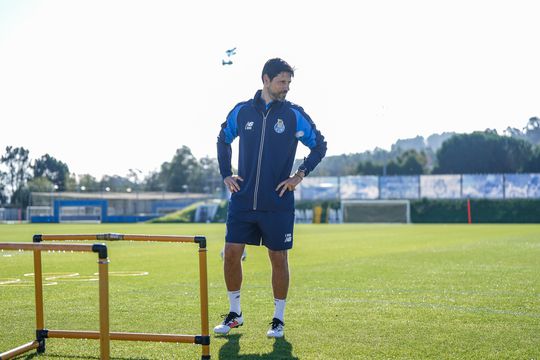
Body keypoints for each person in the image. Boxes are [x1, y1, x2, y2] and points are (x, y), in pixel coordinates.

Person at [215, 58, 327, 338]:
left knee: (278, 258)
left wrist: (299, 175)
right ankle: (235, 314)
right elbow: (222, 138)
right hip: (243, 199)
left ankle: (278, 319)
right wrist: (226, 174)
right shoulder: (242, 112)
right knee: (230, 254)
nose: (286, 87)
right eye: (281, 82)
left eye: (289, 82)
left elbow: (319, 145)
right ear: (266, 80)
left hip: (277, 201)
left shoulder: (293, 115)